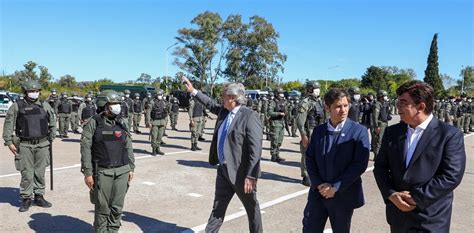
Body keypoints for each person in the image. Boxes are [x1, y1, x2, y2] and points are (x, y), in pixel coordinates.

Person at [374, 81, 466, 233]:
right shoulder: (392, 132)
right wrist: (391, 194)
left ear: (421, 107)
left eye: (403, 103)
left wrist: (416, 197)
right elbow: (380, 167)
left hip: (430, 218)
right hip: (398, 216)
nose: (397, 106)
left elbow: (451, 176)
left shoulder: (449, 135)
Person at [183, 77, 263, 233]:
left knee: (252, 209)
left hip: (241, 173)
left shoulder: (249, 116)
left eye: (224, 97)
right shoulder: (224, 111)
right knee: (218, 208)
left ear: (233, 98)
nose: (221, 100)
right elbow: (210, 103)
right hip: (223, 170)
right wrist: (193, 91)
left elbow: (256, 149)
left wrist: (251, 175)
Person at [303, 88, 370, 233]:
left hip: (343, 195)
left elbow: (359, 165)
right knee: (309, 228)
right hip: (318, 193)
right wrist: (319, 184)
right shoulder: (319, 131)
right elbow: (310, 158)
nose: (343, 110)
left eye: (346, 105)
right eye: (338, 106)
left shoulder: (358, 131)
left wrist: (335, 187)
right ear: (327, 108)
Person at [80, 90, 135, 232]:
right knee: (102, 209)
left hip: (122, 171)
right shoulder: (93, 123)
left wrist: (131, 167)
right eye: (113, 104)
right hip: (102, 172)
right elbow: (85, 149)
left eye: (118, 104)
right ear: (104, 104)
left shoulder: (122, 122)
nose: (117, 106)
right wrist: (88, 173)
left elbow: (128, 145)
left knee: (117, 208)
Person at [2, 80, 57, 212]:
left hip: (42, 144)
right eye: (31, 91)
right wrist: (9, 142)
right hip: (25, 145)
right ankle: (26, 198)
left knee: (40, 172)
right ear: (25, 92)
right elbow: (8, 125)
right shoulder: (16, 106)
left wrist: (52, 137)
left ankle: (39, 196)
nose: (34, 93)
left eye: (36, 91)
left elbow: (53, 122)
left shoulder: (45, 105)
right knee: (27, 173)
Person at [296, 81, 325, 187]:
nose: (318, 90)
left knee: (318, 154)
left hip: (319, 130)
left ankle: (315, 174)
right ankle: (306, 176)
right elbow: (300, 121)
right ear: (310, 89)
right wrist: (303, 135)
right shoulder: (305, 102)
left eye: (318, 88)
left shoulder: (320, 102)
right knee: (307, 153)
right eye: (315, 88)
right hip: (310, 130)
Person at [268, 88, 287, 162]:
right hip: (275, 123)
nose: (282, 95)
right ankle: (273, 155)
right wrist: (279, 113)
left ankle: (277, 154)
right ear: (276, 94)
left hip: (281, 123)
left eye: (282, 93)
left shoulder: (283, 102)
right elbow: (270, 112)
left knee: (280, 140)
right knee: (274, 140)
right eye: (280, 93)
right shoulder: (273, 102)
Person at [371, 90, 391, 156]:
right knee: (378, 140)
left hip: (385, 123)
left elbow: (386, 113)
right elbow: (375, 116)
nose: (386, 97)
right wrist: (376, 126)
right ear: (380, 96)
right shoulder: (377, 104)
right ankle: (377, 155)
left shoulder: (385, 103)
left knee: (384, 140)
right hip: (380, 124)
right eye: (384, 96)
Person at [149, 90, 169, 155]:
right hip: (155, 122)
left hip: (162, 121)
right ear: (156, 95)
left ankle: (158, 148)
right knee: (154, 136)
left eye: (161, 95)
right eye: (158, 95)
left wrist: (165, 121)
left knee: (160, 136)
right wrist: (149, 122)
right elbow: (148, 112)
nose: (160, 96)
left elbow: (166, 112)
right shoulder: (152, 102)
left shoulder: (163, 102)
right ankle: (154, 149)